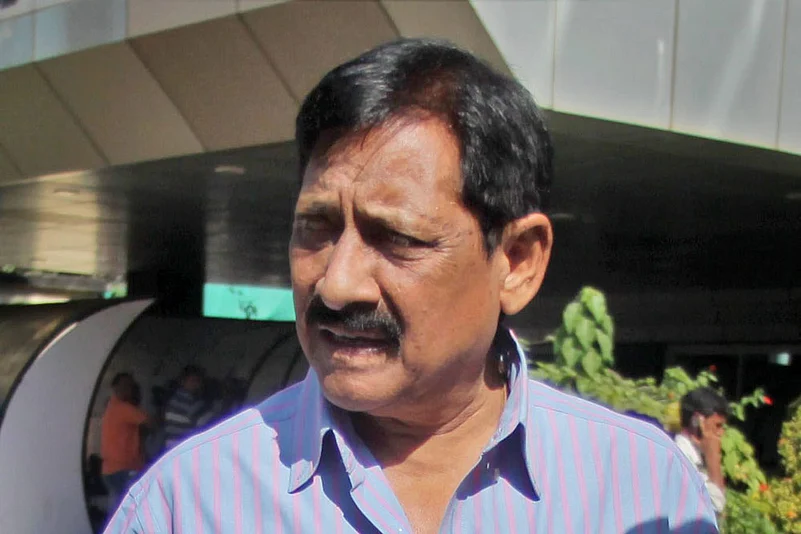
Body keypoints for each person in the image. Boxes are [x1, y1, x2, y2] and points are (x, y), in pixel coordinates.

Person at [105, 38, 718, 533]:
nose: (338, 285)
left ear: (517, 262)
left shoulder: (641, 491)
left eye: (397, 238)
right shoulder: (187, 504)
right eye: (316, 229)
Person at [99, 372, 149, 515]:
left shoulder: (111, 406)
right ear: (115, 387)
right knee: (129, 514)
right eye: (125, 386)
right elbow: (152, 423)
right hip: (124, 468)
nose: (128, 389)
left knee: (117, 513)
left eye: (131, 386)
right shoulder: (124, 409)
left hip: (110, 469)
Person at [675, 387, 729, 514]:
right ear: (697, 421)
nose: (721, 433)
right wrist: (713, 458)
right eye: (717, 425)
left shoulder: (697, 454)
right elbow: (715, 506)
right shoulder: (681, 456)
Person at [162, 365, 209, 451]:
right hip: (184, 447)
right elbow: (205, 424)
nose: (195, 384)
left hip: (171, 445)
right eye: (193, 381)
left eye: (198, 381)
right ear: (183, 381)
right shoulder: (189, 401)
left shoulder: (173, 399)